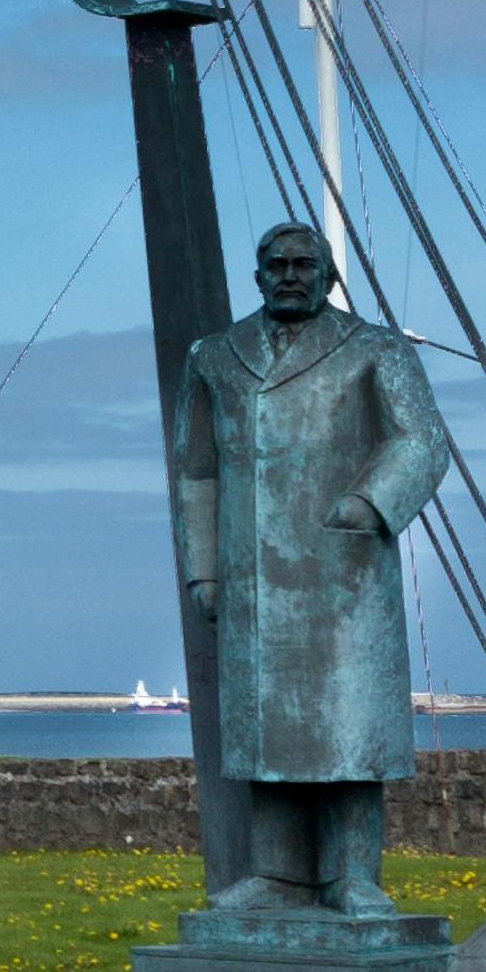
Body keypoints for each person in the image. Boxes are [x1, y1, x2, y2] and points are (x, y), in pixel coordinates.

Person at [174, 221, 450, 916]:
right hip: (255, 580)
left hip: (345, 575)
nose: (290, 274)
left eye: (305, 263)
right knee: (266, 731)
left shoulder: (375, 349)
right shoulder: (214, 356)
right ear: (257, 274)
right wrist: (204, 569)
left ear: (329, 277)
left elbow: (422, 440)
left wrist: (370, 500)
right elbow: (197, 471)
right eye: (277, 263)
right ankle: (278, 873)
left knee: (349, 729)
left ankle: (355, 874)